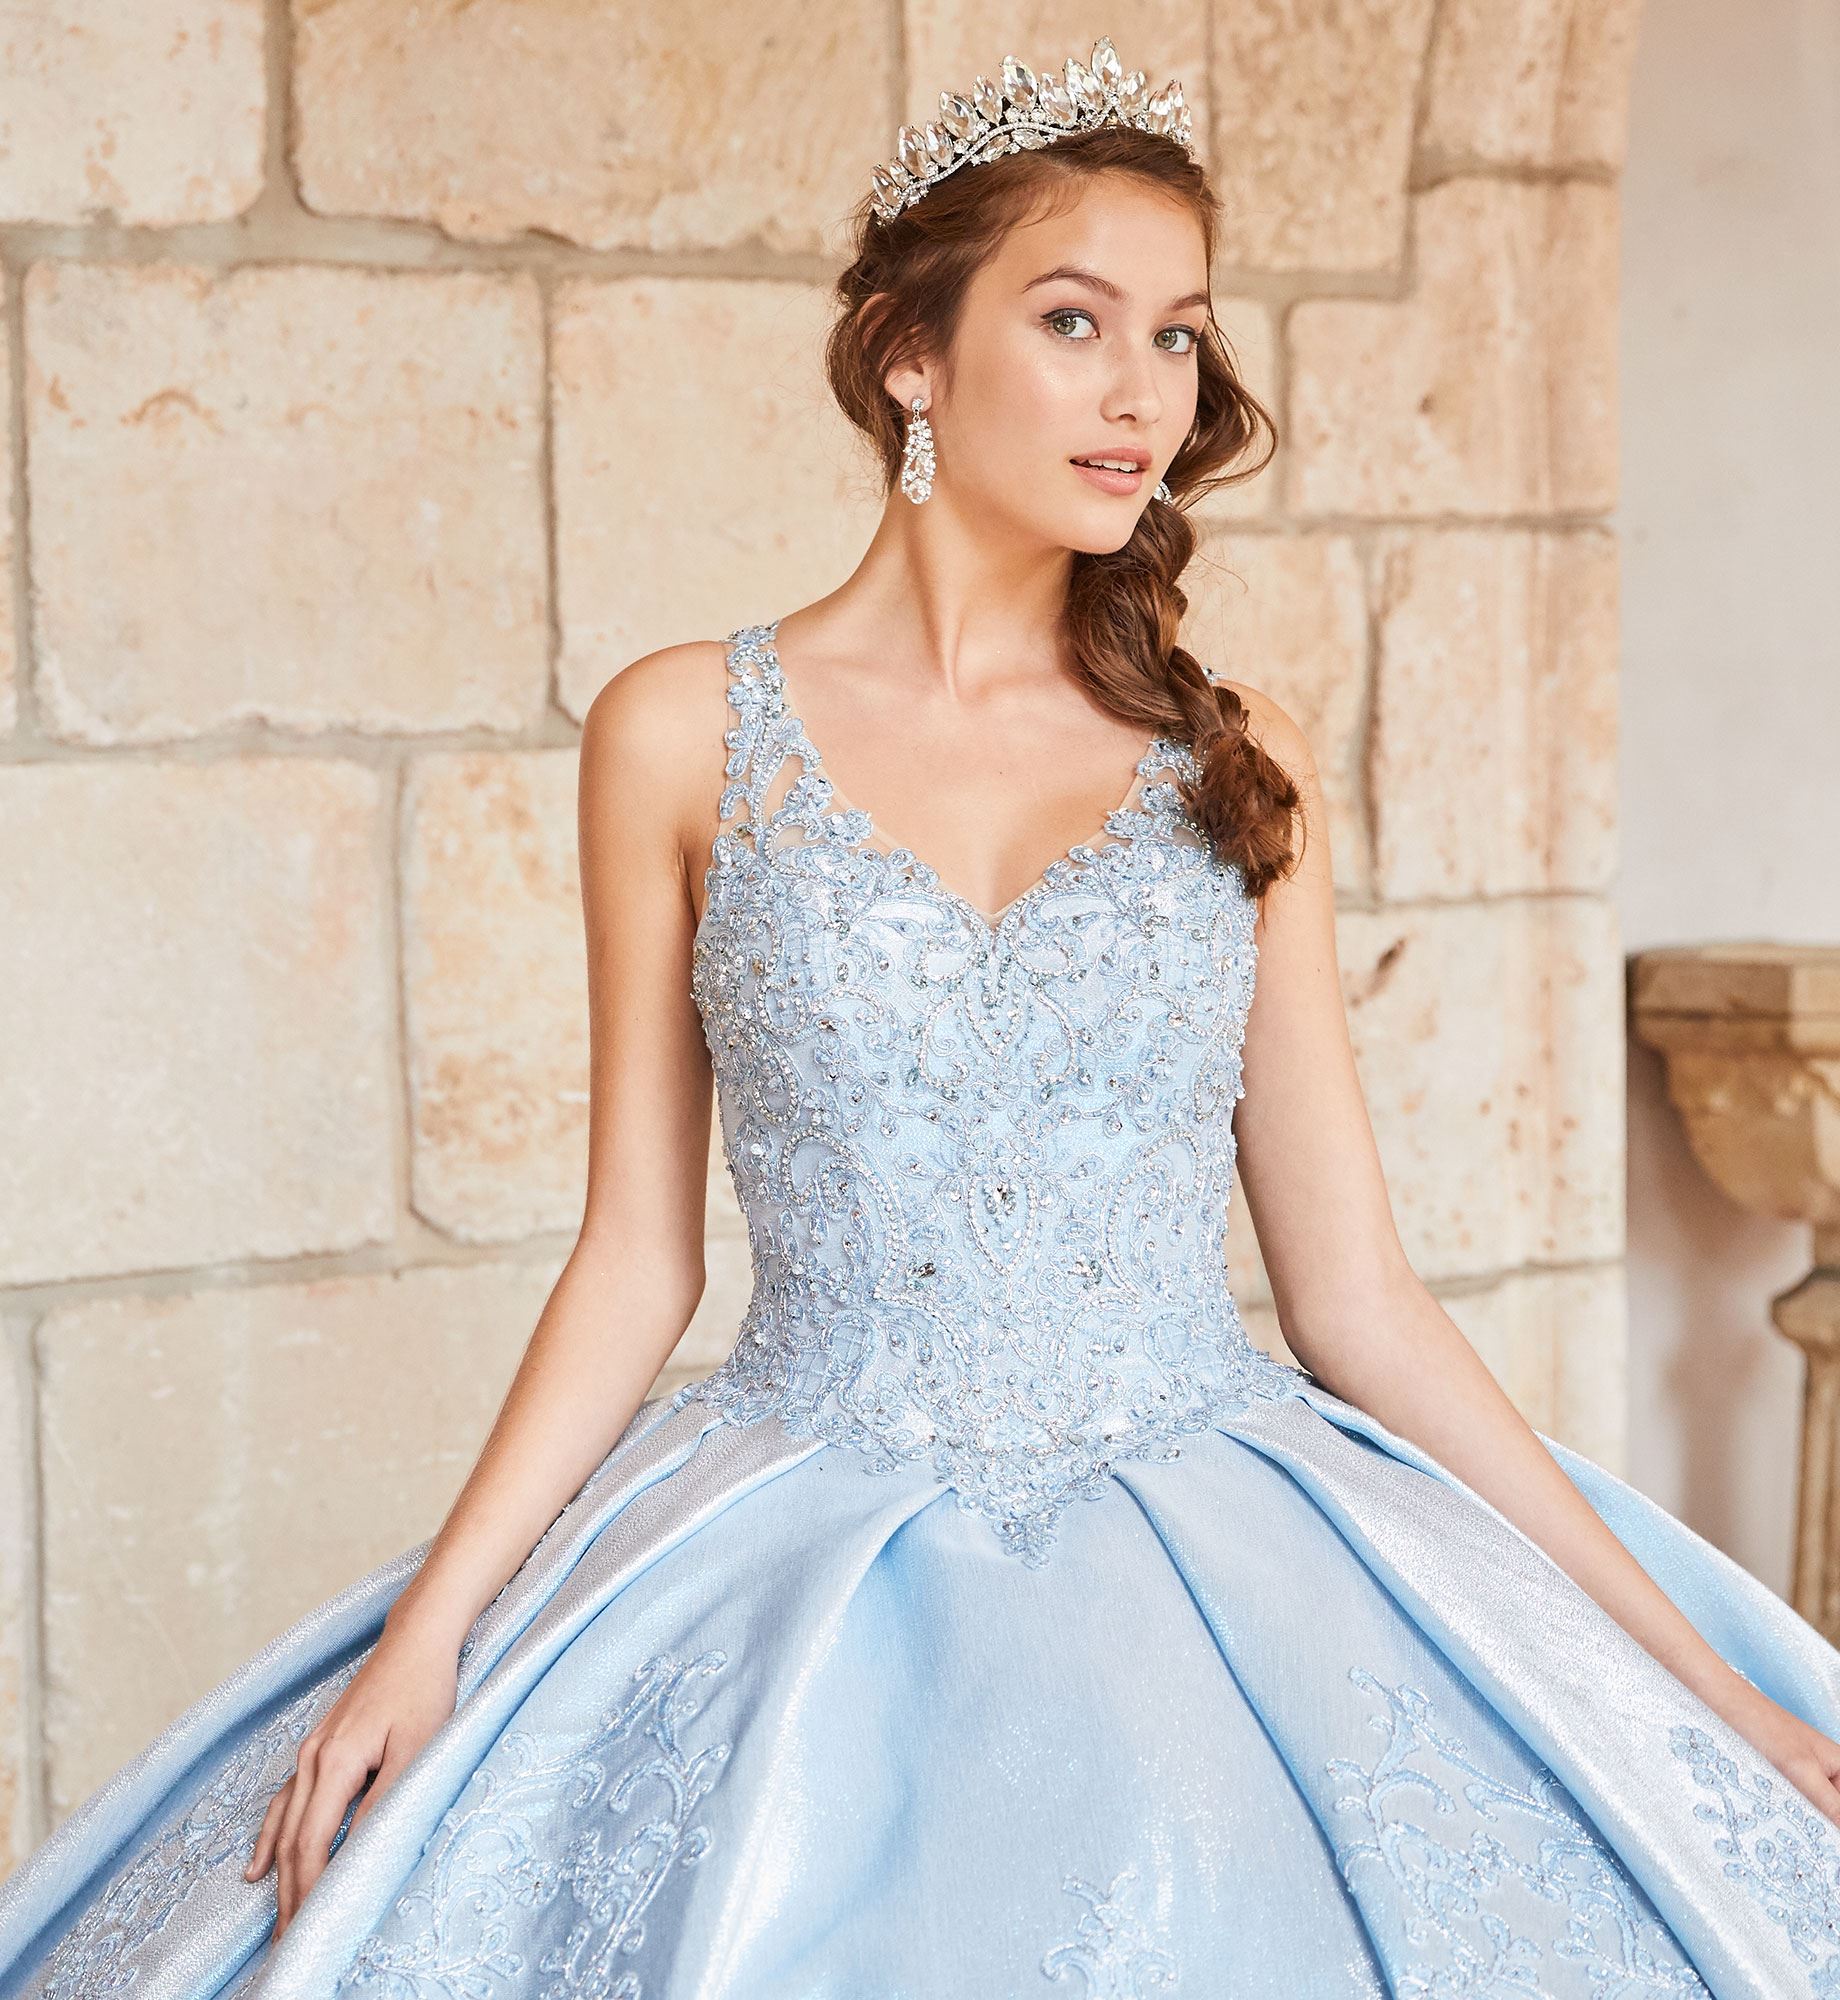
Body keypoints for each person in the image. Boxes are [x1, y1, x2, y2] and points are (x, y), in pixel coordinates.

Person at [5, 34, 1840, 2000]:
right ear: (908, 353)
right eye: (1071, 320)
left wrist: (1698, 1696)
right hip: (792, 1528)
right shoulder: (677, 733)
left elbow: (1356, 1298)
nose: (1140, 389)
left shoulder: (1233, 758)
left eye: (1174, 337)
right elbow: (636, 1254)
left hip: (1214, 1546)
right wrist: (432, 1631)